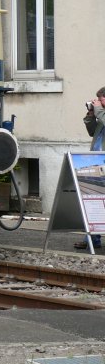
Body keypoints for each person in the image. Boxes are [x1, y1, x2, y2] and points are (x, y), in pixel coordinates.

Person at [75, 87, 105, 249]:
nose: (97, 102)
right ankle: (93, 240)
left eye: (100, 99)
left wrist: (99, 110)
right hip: (97, 165)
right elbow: (92, 132)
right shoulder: (101, 115)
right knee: (93, 203)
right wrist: (90, 116)